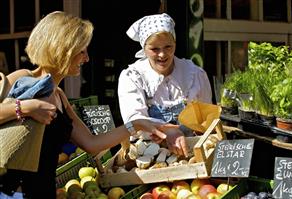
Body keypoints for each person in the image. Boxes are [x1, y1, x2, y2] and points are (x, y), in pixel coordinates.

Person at [0, 11, 168, 199]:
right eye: (82, 51)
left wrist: (135, 124)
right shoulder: (23, 79)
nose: (86, 58)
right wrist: (26, 108)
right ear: (62, 49)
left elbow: (91, 144)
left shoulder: (60, 96)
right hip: (10, 193)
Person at [118, 13, 212, 157]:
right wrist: (166, 130)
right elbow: (134, 120)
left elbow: (206, 117)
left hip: (191, 154)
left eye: (168, 46)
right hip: (149, 157)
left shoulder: (194, 74)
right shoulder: (133, 77)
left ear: (175, 43)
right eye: (154, 49)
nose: (162, 54)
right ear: (144, 48)